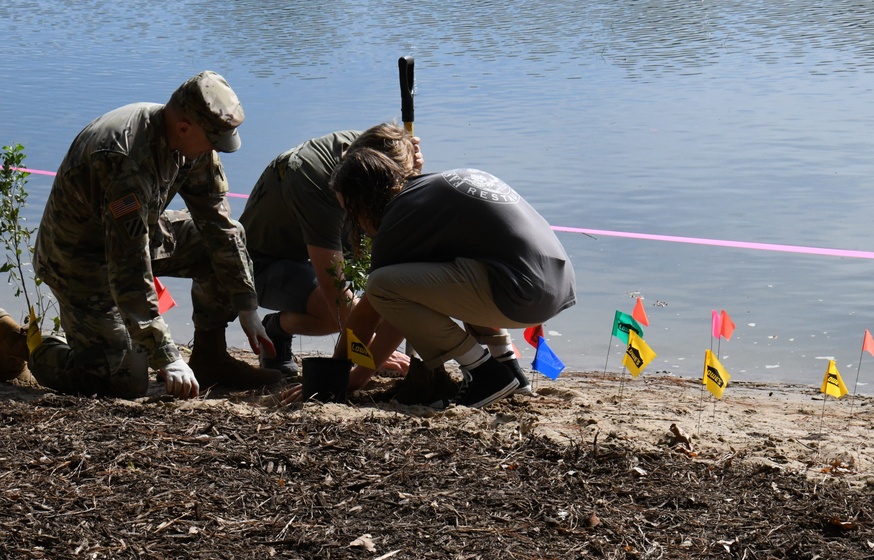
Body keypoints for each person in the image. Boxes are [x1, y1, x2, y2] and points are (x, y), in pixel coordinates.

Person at [22, 71, 281, 399]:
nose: (214, 150)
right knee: (124, 380)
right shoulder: (125, 161)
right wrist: (168, 356)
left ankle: (209, 357)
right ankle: (32, 345)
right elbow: (128, 269)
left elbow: (219, 225)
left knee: (222, 241)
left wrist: (246, 306)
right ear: (185, 127)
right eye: (213, 141)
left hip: (137, 238)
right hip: (80, 263)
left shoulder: (189, 140)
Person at [331, 142, 577, 408]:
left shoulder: (399, 218)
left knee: (381, 286)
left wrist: (340, 377)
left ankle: (485, 373)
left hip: (520, 294)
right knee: (459, 263)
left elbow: (374, 311)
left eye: (352, 214)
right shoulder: (429, 191)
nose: (355, 225)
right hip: (555, 283)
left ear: (363, 202)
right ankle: (509, 367)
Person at [242, 123, 418, 382]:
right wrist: (371, 351)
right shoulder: (315, 182)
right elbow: (336, 296)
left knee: (387, 286)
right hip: (263, 263)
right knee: (334, 315)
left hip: (318, 245)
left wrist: (414, 171)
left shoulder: (377, 147)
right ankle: (276, 330)